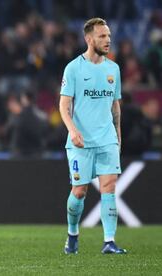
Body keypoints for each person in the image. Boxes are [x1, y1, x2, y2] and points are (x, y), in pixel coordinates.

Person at [59, 18, 127, 255]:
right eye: (102, 36)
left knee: (109, 187)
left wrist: (117, 134)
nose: (107, 40)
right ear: (89, 39)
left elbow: (115, 106)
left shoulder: (113, 69)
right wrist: (72, 130)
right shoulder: (74, 68)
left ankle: (109, 241)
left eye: (108, 36)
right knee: (80, 191)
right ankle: (73, 234)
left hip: (106, 138)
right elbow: (64, 106)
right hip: (81, 141)